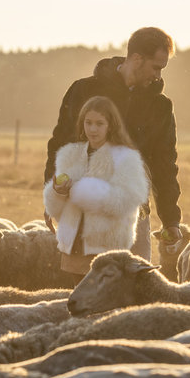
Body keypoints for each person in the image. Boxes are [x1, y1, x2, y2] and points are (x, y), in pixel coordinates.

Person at [44, 26, 182, 261]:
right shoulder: (83, 90)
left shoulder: (160, 107)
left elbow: (164, 164)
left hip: (133, 210)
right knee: (88, 286)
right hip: (85, 207)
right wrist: (52, 196)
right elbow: (61, 143)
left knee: (135, 287)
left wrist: (171, 219)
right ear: (137, 58)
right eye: (156, 67)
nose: (158, 76)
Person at [44, 96, 149, 285]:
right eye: (88, 122)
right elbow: (57, 210)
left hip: (105, 246)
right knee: (79, 303)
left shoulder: (125, 158)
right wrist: (57, 192)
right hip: (74, 245)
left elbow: (128, 200)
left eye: (100, 123)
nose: (92, 129)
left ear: (111, 125)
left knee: (103, 303)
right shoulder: (69, 155)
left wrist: (88, 193)